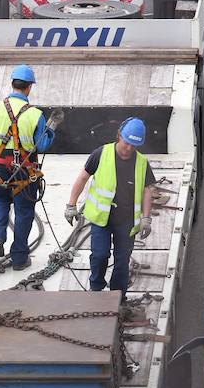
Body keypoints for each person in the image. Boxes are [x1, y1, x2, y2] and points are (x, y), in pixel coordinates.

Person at [64, 117, 155, 299]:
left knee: (122, 261)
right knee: (99, 255)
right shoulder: (101, 154)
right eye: (127, 143)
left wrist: (146, 218)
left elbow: (147, 190)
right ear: (119, 135)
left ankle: (117, 295)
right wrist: (71, 205)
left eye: (134, 146)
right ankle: (96, 290)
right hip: (102, 219)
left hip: (126, 222)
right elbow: (83, 178)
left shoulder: (142, 163)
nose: (129, 149)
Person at [0, 64, 59, 270]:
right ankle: (19, 259)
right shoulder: (35, 115)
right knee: (24, 212)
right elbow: (41, 145)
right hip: (23, 171)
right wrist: (50, 129)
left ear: (12, 84)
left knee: (1, 200)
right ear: (29, 88)